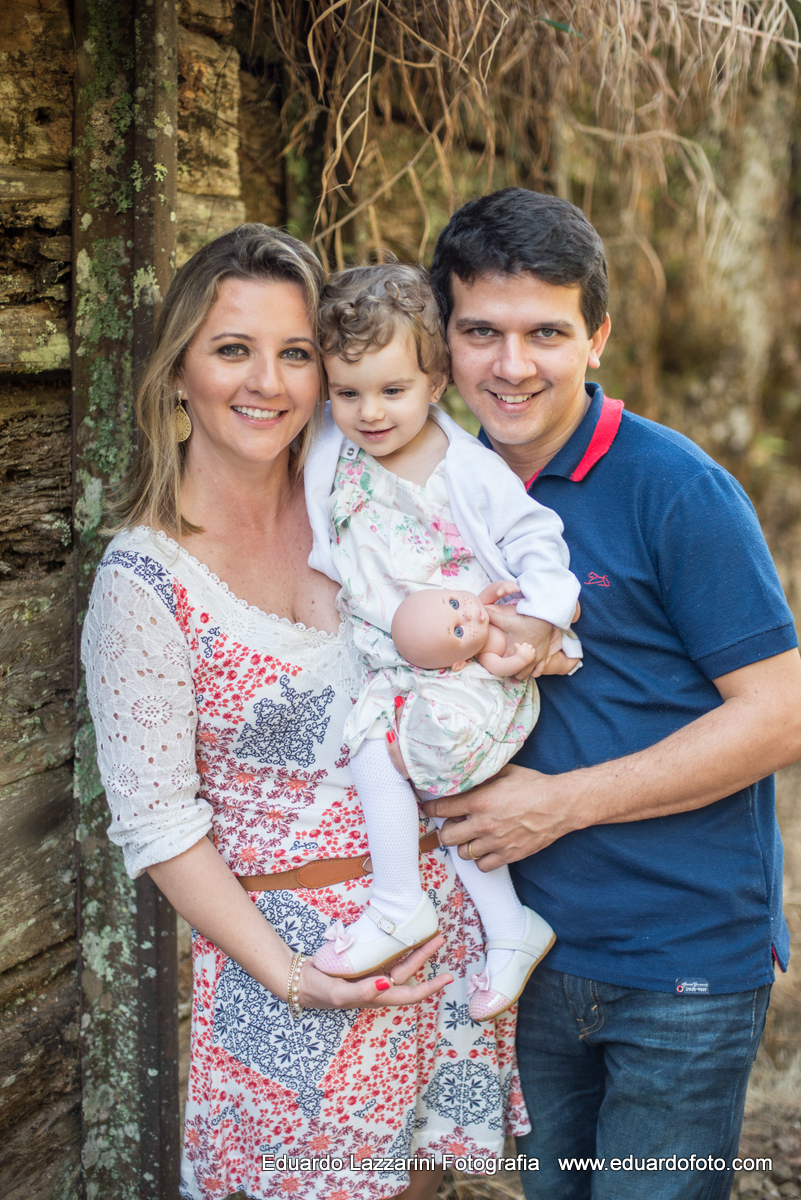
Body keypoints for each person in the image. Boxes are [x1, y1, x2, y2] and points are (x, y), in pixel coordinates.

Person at [80, 224, 529, 1200]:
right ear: (177, 374)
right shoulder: (144, 583)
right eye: (233, 349)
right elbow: (161, 828)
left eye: (295, 354)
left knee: (425, 1190)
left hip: (440, 945)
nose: (269, 383)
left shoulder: (365, 501)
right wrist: (293, 976)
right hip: (296, 983)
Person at [423, 188, 801, 1200]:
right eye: (482, 333)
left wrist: (558, 805)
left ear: (597, 335)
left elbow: (781, 713)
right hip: (520, 952)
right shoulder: (427, 490)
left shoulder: (676, 490)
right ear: (442, 340)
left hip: (676, 960)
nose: (512, 366)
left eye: (546, 331)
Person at [303, 264, 581, 1019]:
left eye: (392, 391)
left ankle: (410, 905)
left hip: (471, 670)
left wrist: (536, 622)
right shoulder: (335, 452)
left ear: (435, 382)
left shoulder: (467, 470)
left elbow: (540, 543)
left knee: (413, 758)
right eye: (347, 392)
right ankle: (487, 921)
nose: (368, 412)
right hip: (393, 672)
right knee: (376, 749)